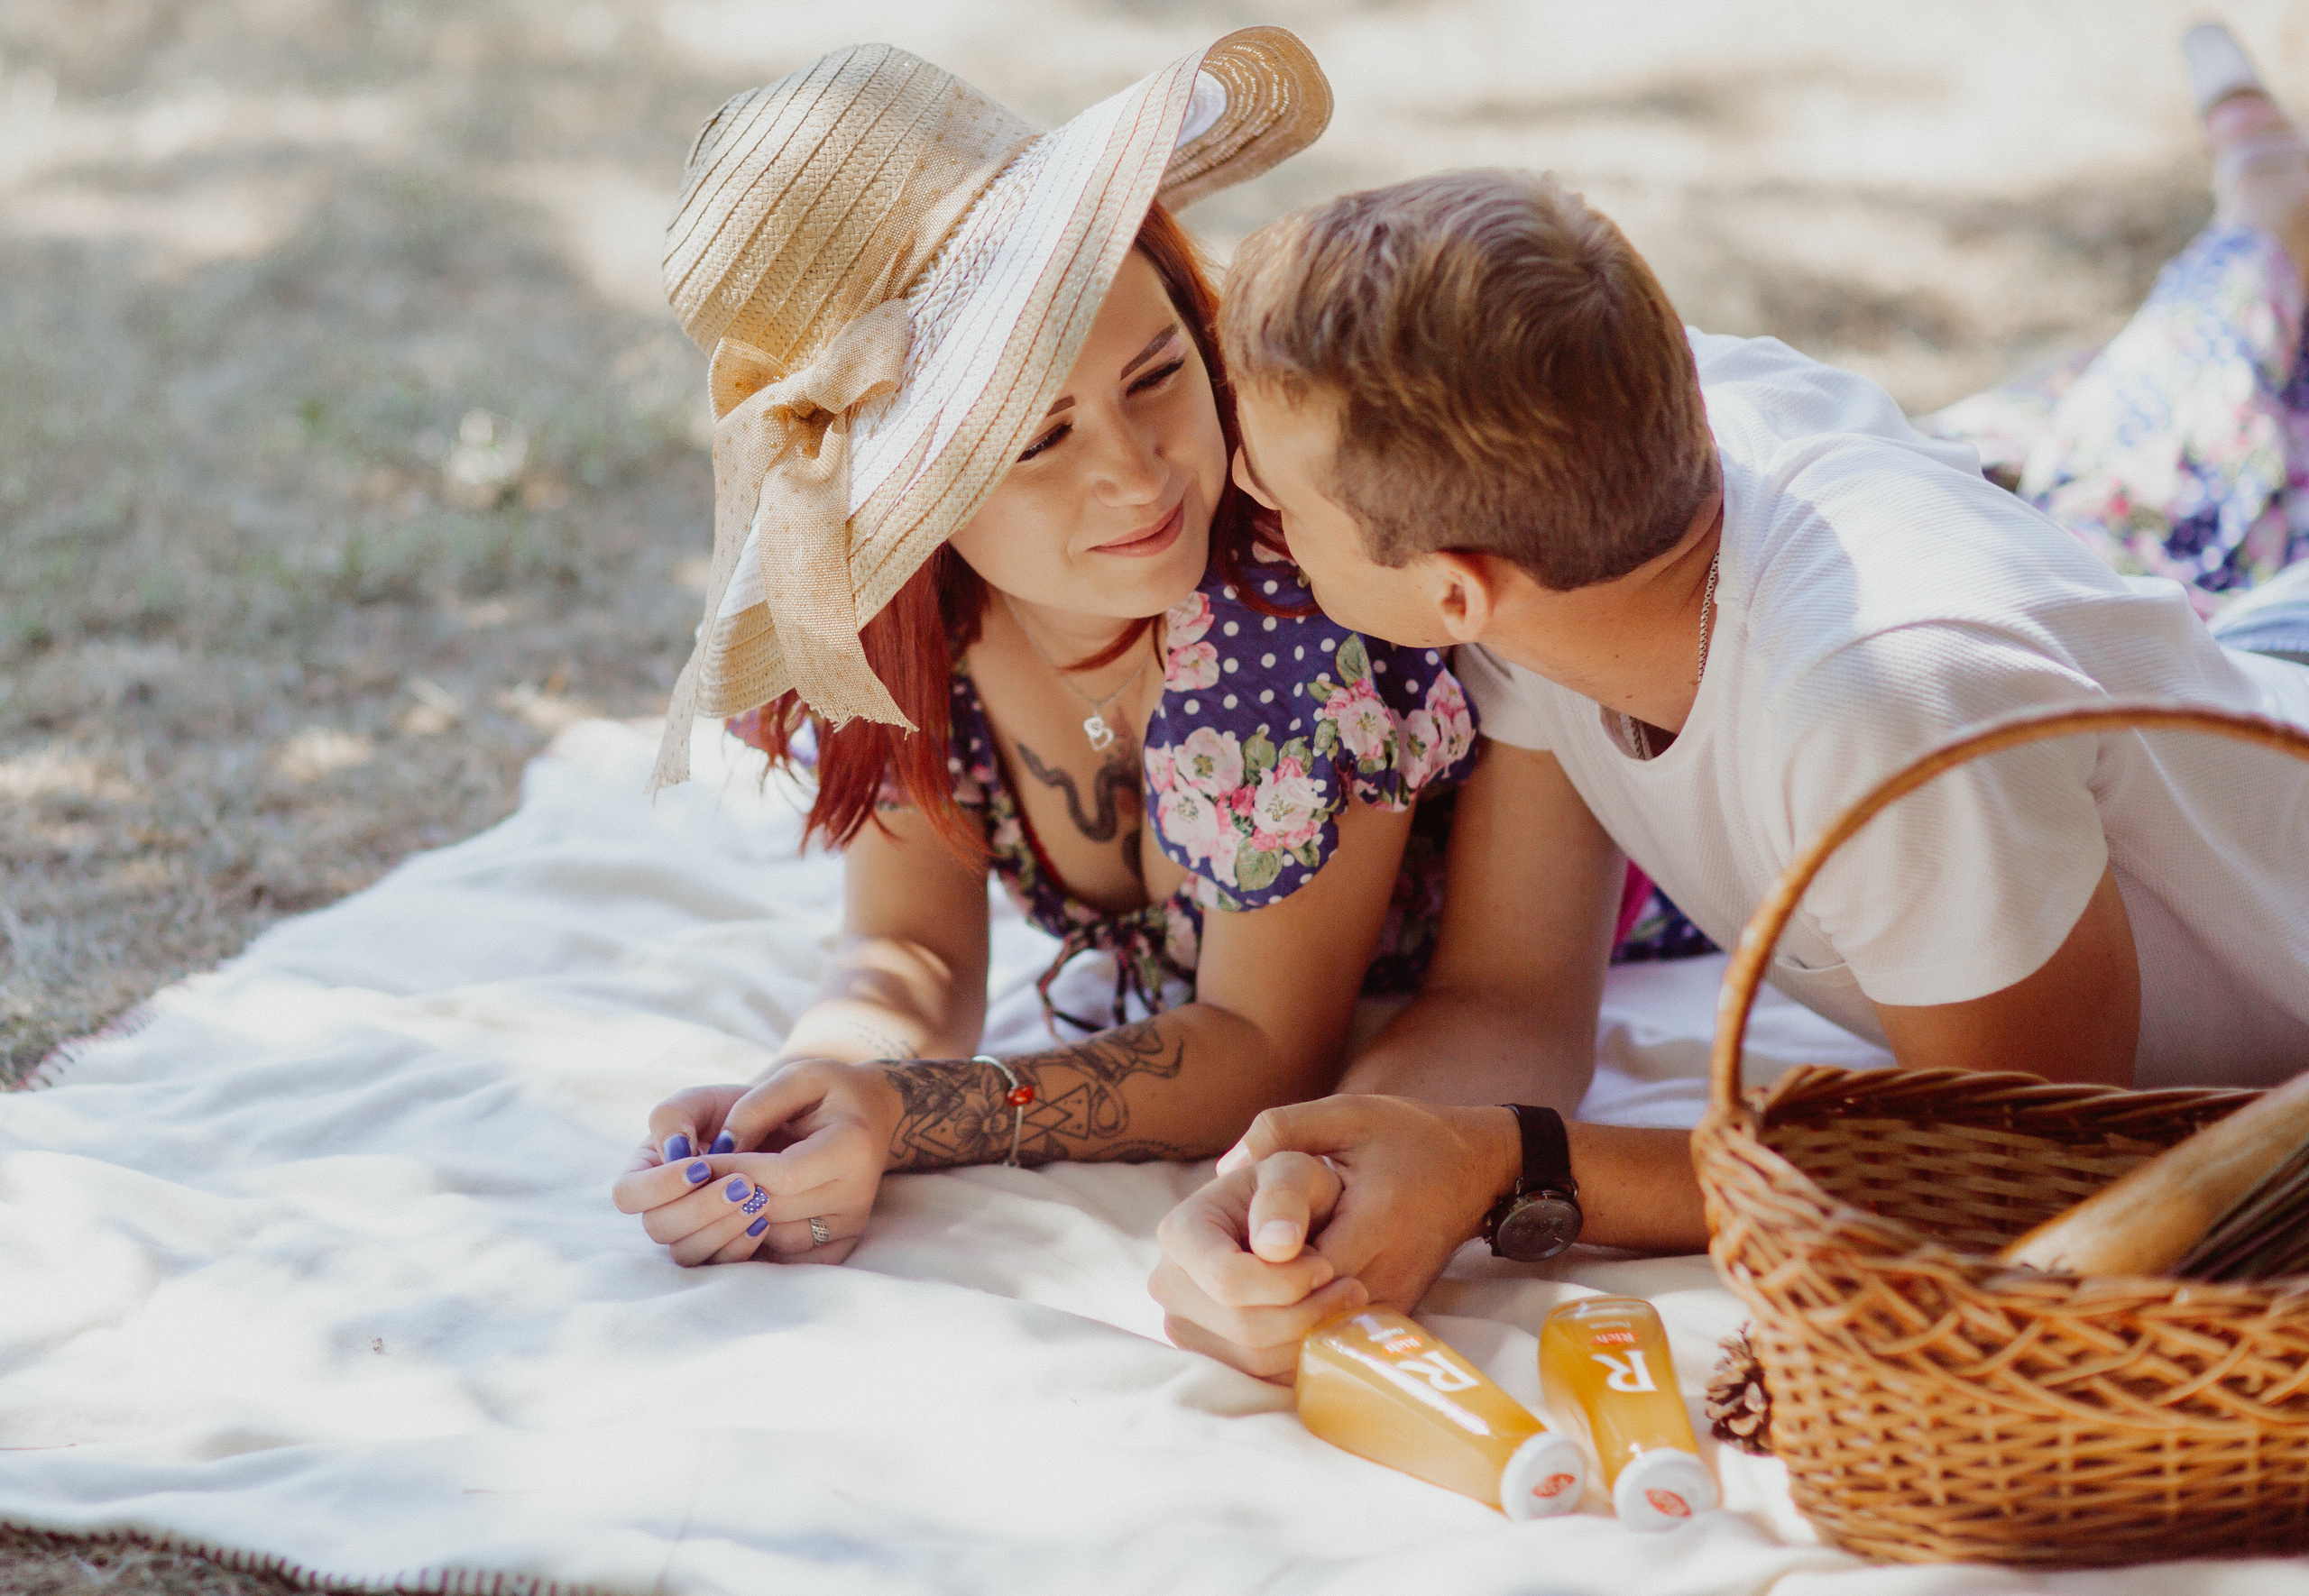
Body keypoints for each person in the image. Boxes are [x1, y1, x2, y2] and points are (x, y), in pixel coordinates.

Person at [1150, 23, 2309, 1380]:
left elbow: (2011, 1175)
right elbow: (1518, 998)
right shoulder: (1574, 493)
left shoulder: (1885, 713)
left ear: (1455, 592)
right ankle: (2268, 215)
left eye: (1281, 503)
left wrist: (1506, 1166)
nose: (1257, 521)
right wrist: (1302, 1176)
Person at [609, 31, 1536, 1270]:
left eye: (1159, 374)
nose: (1137, 469)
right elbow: (913, 949)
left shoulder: (1287, 617)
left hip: (1586, 915)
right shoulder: (901, 635)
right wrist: (810, 1092)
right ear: (911, 498)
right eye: (1038, 441)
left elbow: (1266, 1041)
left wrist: (923, 1114)